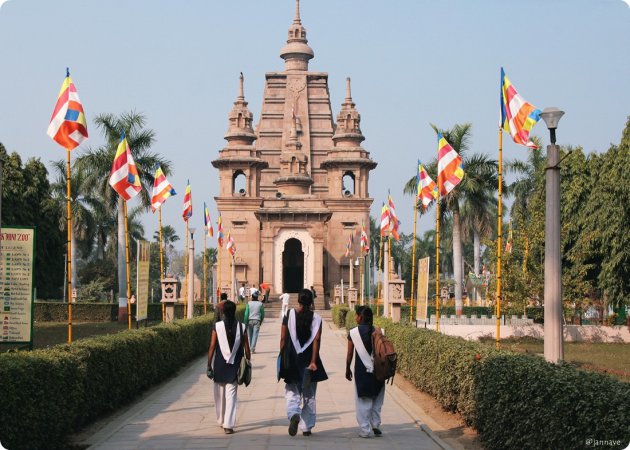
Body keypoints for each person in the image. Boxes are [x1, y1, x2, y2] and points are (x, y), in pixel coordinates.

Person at [279, 289, 328, 437]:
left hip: (292, 360)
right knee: (309, 394)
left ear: (298, 300)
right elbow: (316, 341)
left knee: (292, 391)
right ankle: (306, 427)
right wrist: (313, 361)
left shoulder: (289, 315)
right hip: (309, 360)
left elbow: (282, 338)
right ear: (312, 301)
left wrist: (282, 356)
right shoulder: (317, 318)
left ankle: (294, 413)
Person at [207, 300, 251, 434]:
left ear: (224, 312)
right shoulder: (242, 327)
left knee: (219, 394)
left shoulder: (217, 326)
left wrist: (209, 364)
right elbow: (247, 349)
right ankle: (228, 425)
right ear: (235, 311)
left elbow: (212, 347)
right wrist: (248, 361)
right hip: (235, 365)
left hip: (220, 363)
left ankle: (221, 419)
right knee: (231, 394)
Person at [345, 306, 385, 438]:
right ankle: (375, 424)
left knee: (363, 400)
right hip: (379, 370)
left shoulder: (353, 333)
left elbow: (350, 353)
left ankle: (365, 429)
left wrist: (347, 368)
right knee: (377, 398)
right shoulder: (379, 331)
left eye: (356, 315)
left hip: (362, 371)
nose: (355, 318)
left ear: (360, 317)